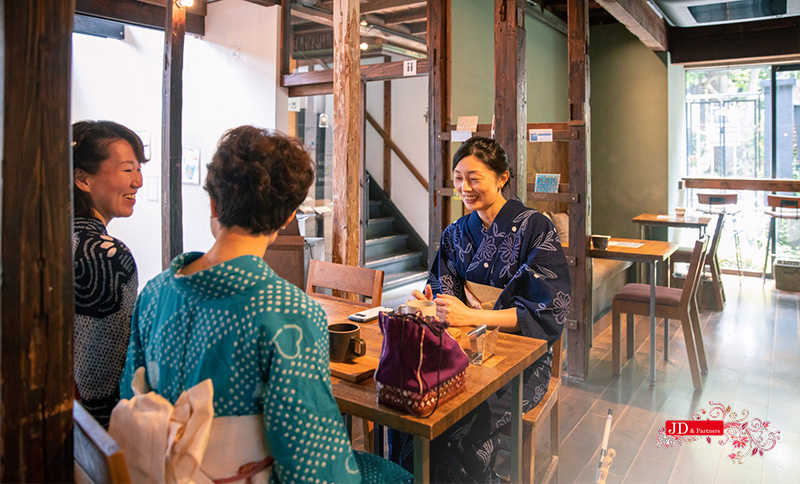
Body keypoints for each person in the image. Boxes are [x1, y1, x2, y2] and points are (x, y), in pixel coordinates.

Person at [119, 126, 410, 484]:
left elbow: (128, 397)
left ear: (213, 202)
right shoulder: (289, 313)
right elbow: (313, 467)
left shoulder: (156, 291)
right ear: (287, 217)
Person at [391, 136, 571, 483]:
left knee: (453, 424)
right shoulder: (457, 232)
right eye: (458, 178)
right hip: (463, 352)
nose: (464, 187)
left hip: (521, 363)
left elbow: (545, 311)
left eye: (474, 178)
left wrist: (473, 316)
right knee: (409, 409)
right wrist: (432, 302)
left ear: (502, 177)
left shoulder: (536, 227)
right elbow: (446, 293)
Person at [72, 120, 147, 428]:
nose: (138, 181)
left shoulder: (46, 237)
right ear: (83, 179)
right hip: (85, 431)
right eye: (127, 170)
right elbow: (102, 380)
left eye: (138, 169)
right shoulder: (108, 255)